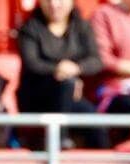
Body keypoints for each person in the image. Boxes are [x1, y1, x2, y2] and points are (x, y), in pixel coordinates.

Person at [16, 0, 108, 148]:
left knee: (95, 122)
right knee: (66, 84)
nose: (54, 4)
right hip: (38, 97)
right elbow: (32, 63)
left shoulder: (82, 27)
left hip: (71, 99)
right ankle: (59, 139)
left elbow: (96, 61)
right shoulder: (29, 29)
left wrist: (76, 68)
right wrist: (60, 71)